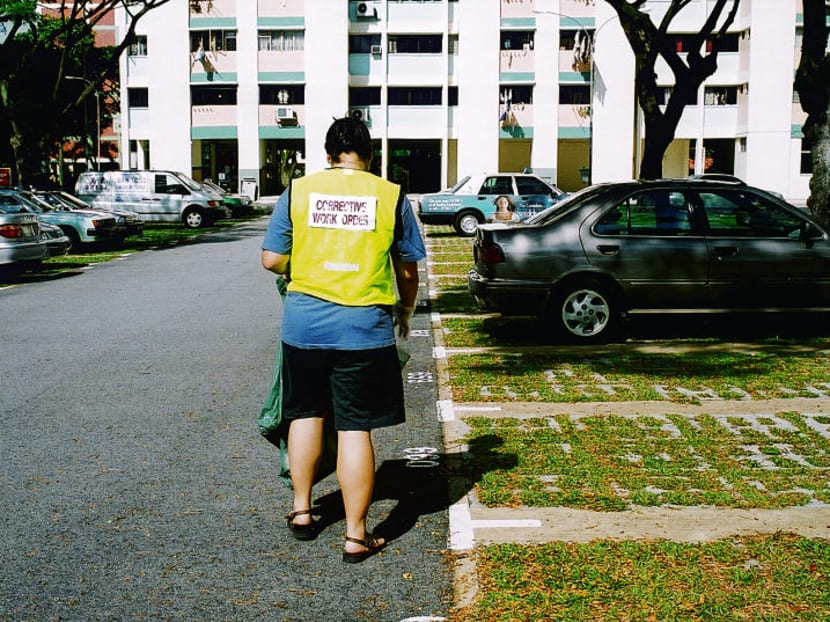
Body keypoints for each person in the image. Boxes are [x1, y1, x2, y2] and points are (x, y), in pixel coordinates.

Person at [261, 116, 426, 563]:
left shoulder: (299, 190)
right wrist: (405, 312)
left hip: (304, 325)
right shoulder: (390, 195)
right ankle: (356, 534)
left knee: (305, 414)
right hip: (363, 329)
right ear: (370, 154)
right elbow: (407, 268)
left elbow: (272, 259)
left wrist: (302, 267)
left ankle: (301, 511)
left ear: (328, 154)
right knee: (354, 427)